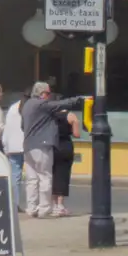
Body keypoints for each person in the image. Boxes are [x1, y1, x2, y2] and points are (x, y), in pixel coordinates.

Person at [21, 82, 85, 219]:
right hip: (42, 145)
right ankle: (44, 208)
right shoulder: (41, 105)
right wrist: (78, 99)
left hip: (28, 145)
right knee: (45, 176)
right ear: (42, 93)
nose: (49, 96)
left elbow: (22, 125)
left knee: (31, 179)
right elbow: (60, 105)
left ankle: (31, 207)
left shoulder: (27, 105)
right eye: (48, 93)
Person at [50, 95, 81, 216]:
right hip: (66, 146)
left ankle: (53, 205)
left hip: (53, 146)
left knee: (52, 174)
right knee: (63, 175)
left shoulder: (51, 116)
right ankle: (61, 205)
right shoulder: (71, 116)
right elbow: (76, 134)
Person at [1, 90, 27, 212]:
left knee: (15, 176)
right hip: (26, 145)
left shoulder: (12, 108)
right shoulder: (28, 108)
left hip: (12, 146)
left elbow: (7, 129)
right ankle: (19, 204)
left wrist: (5, 146)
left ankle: (13, 203)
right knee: (33, 177)